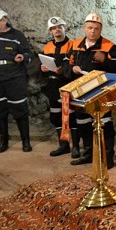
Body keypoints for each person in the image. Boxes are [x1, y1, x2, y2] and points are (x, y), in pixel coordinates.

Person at [63, 12, 116, 168]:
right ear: (84, 28)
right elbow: (64, 66)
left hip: (101, 91)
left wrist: (105, 61)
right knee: (83, 123)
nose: (93, 31)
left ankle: (108, 157)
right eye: (90, 28)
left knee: (105, 123)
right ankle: (89, 154)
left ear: (101, 29)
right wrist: (72, 69)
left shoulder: (109, 46)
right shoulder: (74, 45)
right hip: (80, 90)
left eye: (96, 28)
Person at [0, 7, 33, 152]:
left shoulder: (17, 35)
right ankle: (3, 141)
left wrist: (23, 57)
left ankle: (26, 141)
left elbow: (28, 53)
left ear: (4, 19)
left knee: (20, 109)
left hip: (14, 77)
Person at [40, 16, 80, 158]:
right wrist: (43, 68)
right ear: (50, 32)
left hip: (67, 85)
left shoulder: (74, 45)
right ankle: (64, 145)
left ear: (64, 28)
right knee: (56, 115)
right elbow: (44, 66)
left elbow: (73, 65)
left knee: (71, 116)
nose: (56, 30)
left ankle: (76, 147)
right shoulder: (47, 47)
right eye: (53, 28)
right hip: (53, 85)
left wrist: (62, 70)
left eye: (59, 27)